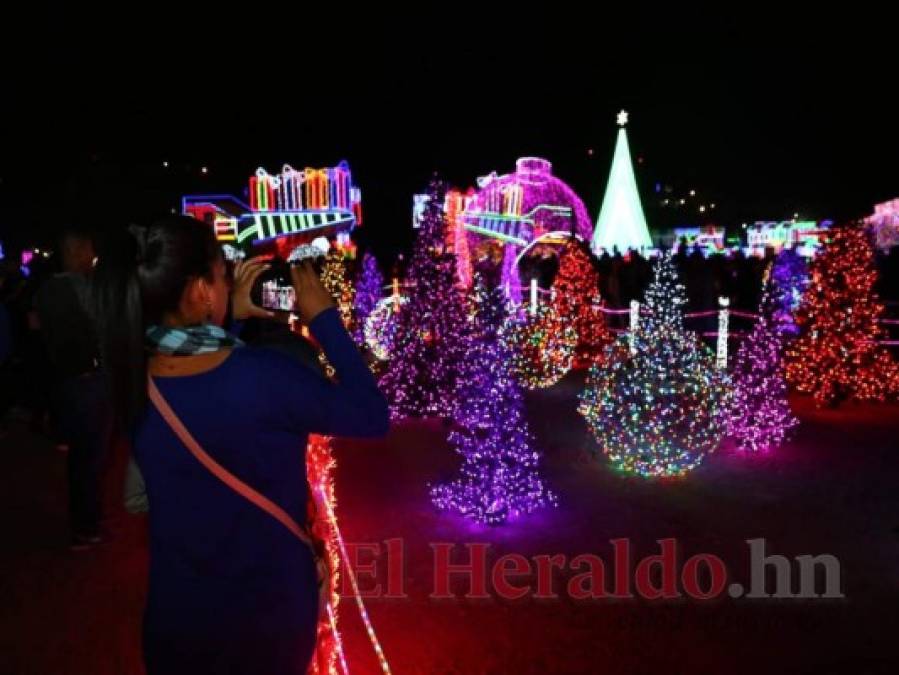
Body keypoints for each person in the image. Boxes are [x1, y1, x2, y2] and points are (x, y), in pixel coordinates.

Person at [92, 216, 388, 674]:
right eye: (222, 275)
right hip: (264, 620)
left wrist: (227, 317)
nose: (229, 283)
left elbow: (197, 379)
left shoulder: (130, 379)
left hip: (179, 621)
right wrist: (324, 319)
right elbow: (371, 415)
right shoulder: (267, 376)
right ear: (199, 291)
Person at [33, 226, 111, 549]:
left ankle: (83, 522)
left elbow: (37, 331)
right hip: (89, 380)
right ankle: (86, 526)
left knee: (81, 457)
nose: (92, 257)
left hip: (66, 380)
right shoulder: (82, 287)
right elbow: (102, 329)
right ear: (75, 252)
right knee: (91, 457)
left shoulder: (44, 290)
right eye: (88, 250)